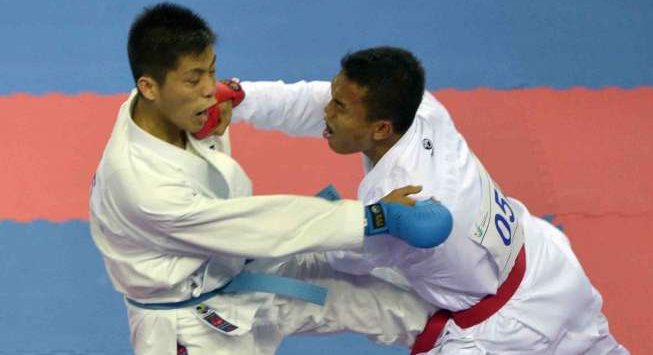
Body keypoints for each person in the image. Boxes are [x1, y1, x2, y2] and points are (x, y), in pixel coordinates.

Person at [89, 4, 455, 355]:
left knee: (417, 313)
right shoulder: (142, 185)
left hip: (241, 270)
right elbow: (259, 223)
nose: (207, 89)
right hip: (189, 324)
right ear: (150, 87)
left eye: (211, 73)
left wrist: (234, 97)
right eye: (193, 79)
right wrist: (373, 218)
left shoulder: (166, 108)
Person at [229, 46, 629, 354]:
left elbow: (342, 253)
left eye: (339, 107)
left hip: (504, 330)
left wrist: (258, 238)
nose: (326, 112)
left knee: (305, 270)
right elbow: (310, 102)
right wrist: (242, 100)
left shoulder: (402, 196)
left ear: (381, 128)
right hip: (549, 265)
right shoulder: (421, 108)